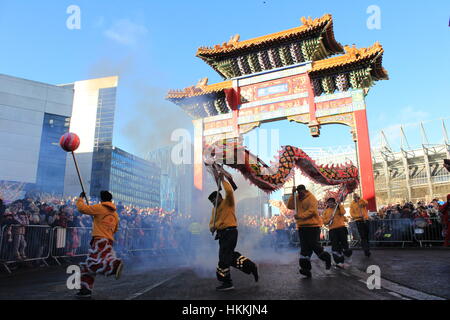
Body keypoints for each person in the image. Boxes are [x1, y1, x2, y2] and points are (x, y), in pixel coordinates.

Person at [209, 177, 258, 291]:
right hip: (222, 235)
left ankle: (227, 282)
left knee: (224, 258)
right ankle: (251, 266)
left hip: (230, 232)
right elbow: (211, 224)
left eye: (214, 200)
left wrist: (222, 180)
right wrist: (213, 227)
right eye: (211, 202)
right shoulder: (214, 210)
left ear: (219, 197)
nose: (213, 203)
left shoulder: (228, 202)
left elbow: (230, 191)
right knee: (229, 257)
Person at [75, 191, 124, 298]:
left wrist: (80, 199)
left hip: (99, 240)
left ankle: (113, 266)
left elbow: (82, 209)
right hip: (108, 240)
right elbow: (115, 229)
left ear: (101, 199)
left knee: (93, 263)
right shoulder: (115, 214)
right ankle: (85, 289)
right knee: (89, 266)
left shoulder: (100, 207)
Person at [287, 185, 331, 278]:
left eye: (301, 192)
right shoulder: (296, 198)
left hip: (313, 226)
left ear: (305, 190)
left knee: (314, 245)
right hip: (302, 227)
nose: (300, 194)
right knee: (304, 248)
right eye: (298, 192)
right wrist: (292, 194)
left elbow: (312, 211)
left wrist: (300, 216)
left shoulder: (311, 198)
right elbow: (289, 206)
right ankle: (306, 269)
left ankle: (327, 259)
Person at [322, 197, 352, 268]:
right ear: (327, 203)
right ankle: (338, 261)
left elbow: (343, 212)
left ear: (334, 202)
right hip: (332, 230)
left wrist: (339, 205)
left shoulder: (338, 208)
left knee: (344, 244)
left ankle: (347, 258)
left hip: (341, 228)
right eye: (329, 202)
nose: (330, 203)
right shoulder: (326, 211)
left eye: (332, 202)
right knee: (335, 246)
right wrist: (329, 219)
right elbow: (324, 222)